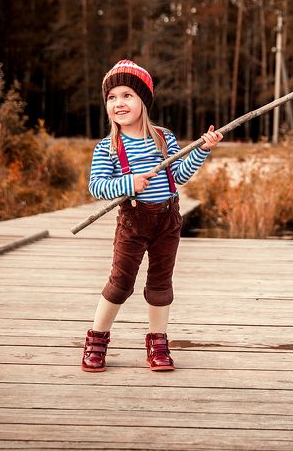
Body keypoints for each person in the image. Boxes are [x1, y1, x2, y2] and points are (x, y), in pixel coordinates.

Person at [81, 59, 222, 372]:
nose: (119, 103)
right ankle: (97, 340)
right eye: (112, 97)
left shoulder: (164, 138)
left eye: (127, 96)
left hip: (168, 220)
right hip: (133, 222)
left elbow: (180, 176)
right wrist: (129, 182)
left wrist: (202, 150)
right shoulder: (108, 148)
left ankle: (158, 342)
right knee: (120, 284)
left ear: (143, 101)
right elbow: (98, 187)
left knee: (160, 284)